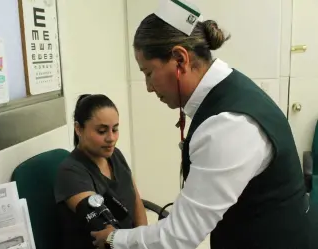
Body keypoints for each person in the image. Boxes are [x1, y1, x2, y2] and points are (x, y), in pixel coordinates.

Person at [91, 0, 318, 248]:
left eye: (148, 72)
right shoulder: (232, 89)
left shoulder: (229, 125)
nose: (148, 87)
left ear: (180, 59)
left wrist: (114, 238)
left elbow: (178, 237)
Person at [54, 94, 148, 249]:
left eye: (115, 129)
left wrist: (143, 239)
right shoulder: (70, 172)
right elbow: (103, 231)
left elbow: (136, 200)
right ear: (79, 129)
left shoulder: (115, 155)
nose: (111, 138)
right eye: (102, 131)